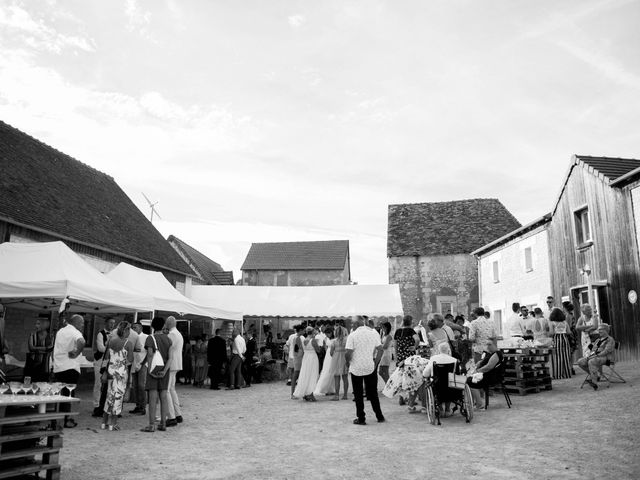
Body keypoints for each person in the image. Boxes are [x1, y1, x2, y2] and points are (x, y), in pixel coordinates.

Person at [346, 316, 384, 425]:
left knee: (358, 394)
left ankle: (361, 418)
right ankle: (379, 415)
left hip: (356, 367)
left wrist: (347, 362)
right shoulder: (373, 333)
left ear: (355, 324)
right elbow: (380, 349)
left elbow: (348, 352)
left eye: (352, 323)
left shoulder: (352, 335)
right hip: (369, 366)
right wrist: (376, 362)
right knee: (373, 393)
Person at [52, 314, 85, 428]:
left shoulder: (61, 331)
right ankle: (66, 419)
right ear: (75, 322)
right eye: (82, 323)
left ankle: (57, 418)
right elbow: (82, 341)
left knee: (60, 394)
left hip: (58, 367)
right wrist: (76, 353)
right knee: (68, 394)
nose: (83, 325)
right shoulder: (75, 332)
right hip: (70, 367)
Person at [101, 321, 134, 431]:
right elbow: (130, 360)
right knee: (118, 398)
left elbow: (106, 357)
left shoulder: (111, 341)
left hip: (110, 372)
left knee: (109, 396)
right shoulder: (128, 343)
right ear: (126, 330)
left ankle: (104, 422)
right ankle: (113, 423)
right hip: (121, 373)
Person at [141, 316, 172, 432]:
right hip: (165, 370)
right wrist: (164, 371)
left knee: (152, 398)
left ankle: (151, 424)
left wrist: (149, 370)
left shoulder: (150, 338)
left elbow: (149, 354)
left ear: (152, 326)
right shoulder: (168, 339)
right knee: (163, 397)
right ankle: (163, 423)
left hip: (153, 369)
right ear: (163, 325)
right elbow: (170, 358)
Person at [466, 339, 504, 409]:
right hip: (487, 375)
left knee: (470, 382)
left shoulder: (497, 354)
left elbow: (489, 367)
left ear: (495, 345)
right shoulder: (490, 353)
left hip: (492, 377)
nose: (488, 346)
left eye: (490, 344)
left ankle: (479, 404)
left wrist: (477, 371)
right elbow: (483, 361)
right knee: (469, 380)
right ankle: (474, 402)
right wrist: (478, 365)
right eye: (487, 344)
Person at [422, 342, 458, 417]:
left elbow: (425, 374)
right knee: (450, 383)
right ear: (448, 350)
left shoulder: (433, 359)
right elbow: (457, 374)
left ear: (438, 350)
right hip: (451, 386)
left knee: (432, 383)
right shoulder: (454, 360)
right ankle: (448, 409)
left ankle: (440, 408)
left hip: (437, 385)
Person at [577, 324, 615, 390]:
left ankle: (594, 383)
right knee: (580, 361)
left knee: (592, 361)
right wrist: (590, 354)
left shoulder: (610, 339)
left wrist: (596, 355)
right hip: (595, 357)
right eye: (599, 330)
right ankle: (595, 375)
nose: (599, 331)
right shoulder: (598, 340)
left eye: (601, 330)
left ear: (606, 330)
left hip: (606, 358)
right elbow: (593, 350)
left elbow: (606, 351)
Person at [92, 318, 115, 417]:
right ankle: (96, 405)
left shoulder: (114, 334)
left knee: (106, 385)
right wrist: (112, 348)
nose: (112, 325)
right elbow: (100, 348)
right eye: (110, 322)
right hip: (99, 361)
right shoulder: (100, 334)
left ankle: (104, 405)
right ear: (106, 323)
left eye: (113, 323)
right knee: (98, 383)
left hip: (108, 361)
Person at [165, 316, 184, 427]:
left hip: (171, 364)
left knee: (167, 390)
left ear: (168, 324)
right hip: (176, 363)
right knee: (172, 389)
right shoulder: (178, 333)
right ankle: (177, 414)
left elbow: (168, 349)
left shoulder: (172, 334)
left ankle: (171, 416)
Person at [293, 327, 320, 401]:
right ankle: (310, 394)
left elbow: (301, 350)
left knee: (305, 374)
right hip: (312, 358)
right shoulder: (313, 340)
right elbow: (318, 350)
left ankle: (305, 393)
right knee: (312, 375)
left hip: (306, 358)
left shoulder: (304, 340)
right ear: (312, 333)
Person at [24, 318, 53, 382]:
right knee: (30, 385)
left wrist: (36, 348)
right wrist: (45, 349)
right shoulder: (32, 335)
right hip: (32, 365)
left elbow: (50, 348)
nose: (36, 326)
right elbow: (31, 348)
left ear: (45, 325)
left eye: (38, 324)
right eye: (36, 324)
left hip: (45, 366)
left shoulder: (50, 336)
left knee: (43, 386)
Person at [129, 322, 148, 415]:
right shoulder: (131, 337)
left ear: (141, 328)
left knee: (141, 385)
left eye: (135, 327)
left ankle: (143, 406)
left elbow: (149, 352)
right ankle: (137, 405)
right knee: (135, 386)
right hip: (133, 363)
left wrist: (142, 363)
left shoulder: (146, 337)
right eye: (132, 327)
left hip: (143, 364)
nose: (133, 329)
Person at [549, 308, 572, 379]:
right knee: (566, 356)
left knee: (558, 357)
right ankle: (567, 374)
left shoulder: (552, 323)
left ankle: (558, 375)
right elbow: (569, 332)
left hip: (557, 339)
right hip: (565, 339)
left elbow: (551, 333)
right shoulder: (565, 322)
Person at [314, 326, 336, 396]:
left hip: (334, 354)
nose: (326, 335)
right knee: (326, 370)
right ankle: (323, 388)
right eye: (326, 334)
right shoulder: (325, 339)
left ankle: (331, 389)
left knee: (332, 371)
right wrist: (327, 350)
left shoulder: (335, 339)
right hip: (328, 355)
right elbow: (324, 346)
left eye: (327, 333)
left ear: (331, 333)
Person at [330, 325, 349, 401]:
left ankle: (337, 395)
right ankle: (345, 395)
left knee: (337, 378)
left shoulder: (334, 341)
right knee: (345, 378)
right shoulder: (346, 340)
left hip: (336, 359)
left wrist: (335, 354)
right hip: (344, 358)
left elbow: (331, 353)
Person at [290, 326, 305, 399]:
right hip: (298, 358)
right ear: (300, 330)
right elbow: (299, 349)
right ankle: (293, 393)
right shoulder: (298, 338)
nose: (304, 331)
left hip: (297, 357)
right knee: (296, 375)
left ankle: (294, 393)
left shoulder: (296, 338)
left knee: (296, 375)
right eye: (303, 330)